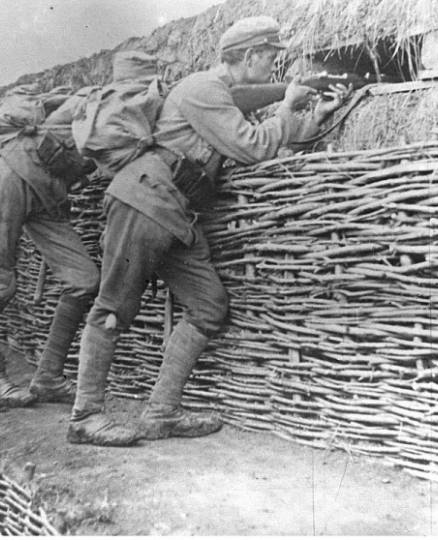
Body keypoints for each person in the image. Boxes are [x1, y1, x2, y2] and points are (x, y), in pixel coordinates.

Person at [67, 17, 351, 446]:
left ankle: (161, 412)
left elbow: (257, 138)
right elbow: (252, 146)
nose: (277, 64)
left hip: (173, 211)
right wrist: (289, 106)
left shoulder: (216, 94)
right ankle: (85, 416)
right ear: (251, 55)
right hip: (144, 200)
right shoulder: (203, 89)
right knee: (113, 306)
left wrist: (313, 118)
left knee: (209, 304)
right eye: (272, 55)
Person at [0, 87, 99, 408]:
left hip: (46, 193)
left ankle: (49, 377)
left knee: (85, 281)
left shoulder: (67, 107)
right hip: (12, 180)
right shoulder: (92, 101)